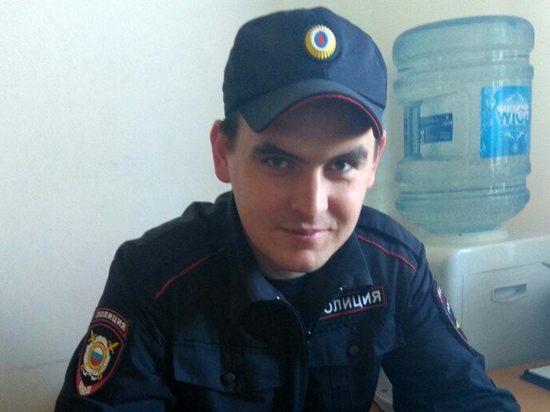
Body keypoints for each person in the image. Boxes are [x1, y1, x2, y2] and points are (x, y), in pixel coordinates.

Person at [56, 7, 520, 411]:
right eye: (278, 161)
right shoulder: (154, 280)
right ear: (222, 153)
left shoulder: (396, 266)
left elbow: (469, 400)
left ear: (374, 162)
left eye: (342, 164)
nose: (311, 205)